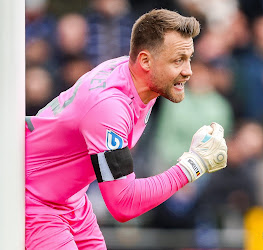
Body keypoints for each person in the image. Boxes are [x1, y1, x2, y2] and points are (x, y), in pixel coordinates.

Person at [25, 9, 227, 249]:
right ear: (145, 61)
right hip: (34, 197)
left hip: (69, 198)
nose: (188, 71)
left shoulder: (139, 78)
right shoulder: (110, 106)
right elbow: (123, 203)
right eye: (178, 60)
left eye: (189, 58)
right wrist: (194, 165)